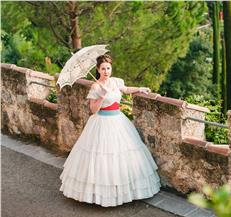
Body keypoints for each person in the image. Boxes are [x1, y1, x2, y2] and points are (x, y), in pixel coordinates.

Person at [59, 54, 161, 207]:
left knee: (123, 154)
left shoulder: (116, 81)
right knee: (102, 157)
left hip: (118, 120)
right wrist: (102, 95)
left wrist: (139, 89)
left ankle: (126, 190)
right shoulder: (95, 86)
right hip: (101, 122)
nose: (106, 71)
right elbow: (93, 110)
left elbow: (125, 89)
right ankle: (101, 194)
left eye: (108, 68)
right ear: (98, 70)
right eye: (103, 69)